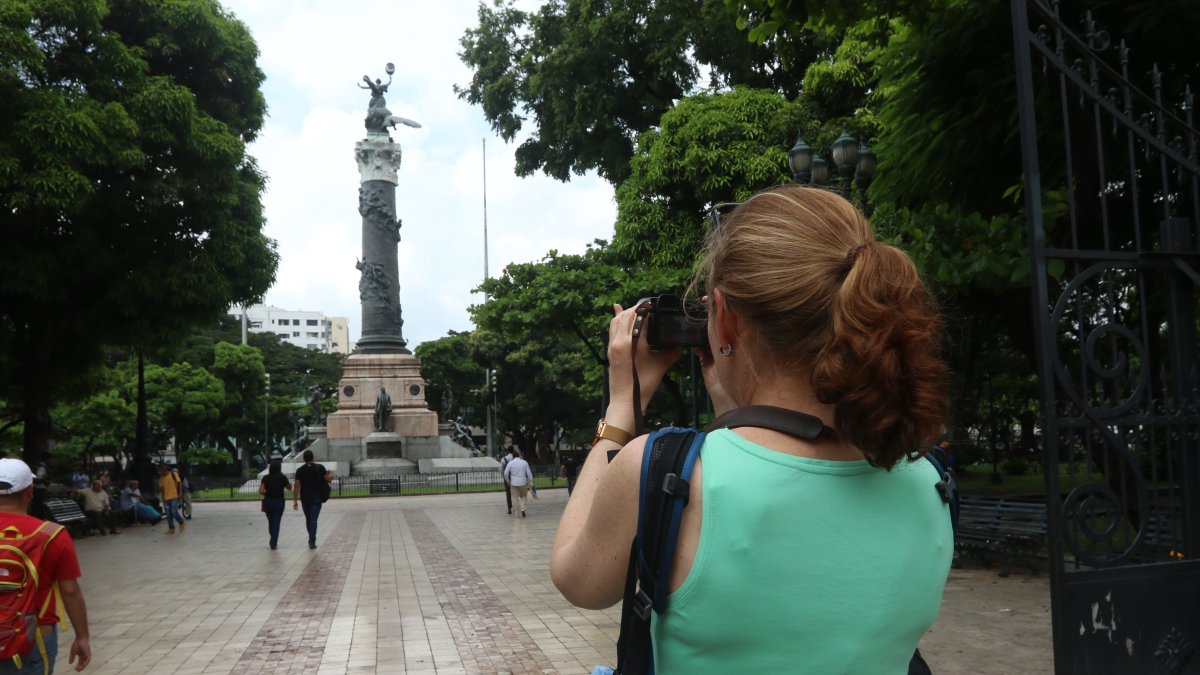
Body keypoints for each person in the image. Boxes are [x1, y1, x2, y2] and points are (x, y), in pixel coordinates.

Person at [549, 186, 952, 672]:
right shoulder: (929, 479)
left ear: (722, 314)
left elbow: (577, 580)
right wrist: (734, 393)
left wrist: (618, 413)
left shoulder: (662, 470)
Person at [0, 458, 91, 673]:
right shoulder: (51, 535)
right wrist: (82, 636)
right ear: (30, 491)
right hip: (35, 635)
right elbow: (69, 592)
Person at [292, 450, 331, 550]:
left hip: (305, 498)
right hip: (317, 498)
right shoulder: (320, 467)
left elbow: (296, 486)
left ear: (303, 459)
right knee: (313, 520)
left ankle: (311, 539)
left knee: (309, 519)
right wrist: (331, 474)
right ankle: (312, 540)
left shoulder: (300, 470)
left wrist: (295, 500)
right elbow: (328, 479)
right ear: (313, 458)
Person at [259, 456, 290, 550]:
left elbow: (261, 491)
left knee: (271, 522)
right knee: (277, 521)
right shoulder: (282, 477)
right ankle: (273, 542)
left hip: (268, 501)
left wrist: (266, 492)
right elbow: (289, 487)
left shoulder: (265, 478)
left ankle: (273, 538)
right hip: (279, 501)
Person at [502, 449, 533, 518]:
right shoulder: (524, 462)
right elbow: (529, 474)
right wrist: (531, 482)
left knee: (514, 498)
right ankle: (522, 509)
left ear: (513, 456)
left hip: (514, 483)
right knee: (523, 496)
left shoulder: (511, 463)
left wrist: (508, 481)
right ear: (519, 456)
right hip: (523, 483)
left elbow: (505, 473)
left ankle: (516, 513)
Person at [156, 465, 185, 536]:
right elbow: (162, 489)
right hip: (166, 498)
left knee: (174, 511)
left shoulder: (173, 474)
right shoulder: (161, 478)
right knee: (168, 514)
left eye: (162, 470)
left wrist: (180, 493)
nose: (161, 472)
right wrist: (163, 498)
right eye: (160, 471)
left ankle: (181, 522)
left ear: (165, 469)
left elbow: (179, 483)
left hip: (174, 496)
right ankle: (171, 528)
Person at [499, 448, 516, 515]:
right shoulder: (515, 458)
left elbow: (501, 469)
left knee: (508, 493)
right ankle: (516, 507)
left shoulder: (504, 459)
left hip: (507, 478)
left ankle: (509, 508)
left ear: (508, 451)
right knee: (515, 493)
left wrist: (503, 476)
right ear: (513, 451)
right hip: (515, 477)